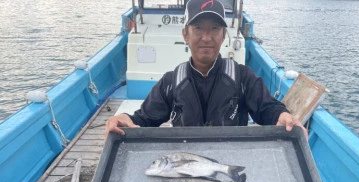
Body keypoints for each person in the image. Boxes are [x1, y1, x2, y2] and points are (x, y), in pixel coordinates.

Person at [104, 0, 307, 138]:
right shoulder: (170, 82)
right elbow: (145, 118)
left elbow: (268, 109)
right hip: (186, 164)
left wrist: (283, 117)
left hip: (231, 161)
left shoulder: (244, 77)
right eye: (198, 28)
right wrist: (125, 119)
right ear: (186, 35)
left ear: (223, 35)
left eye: (214, 29)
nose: (206, 37)